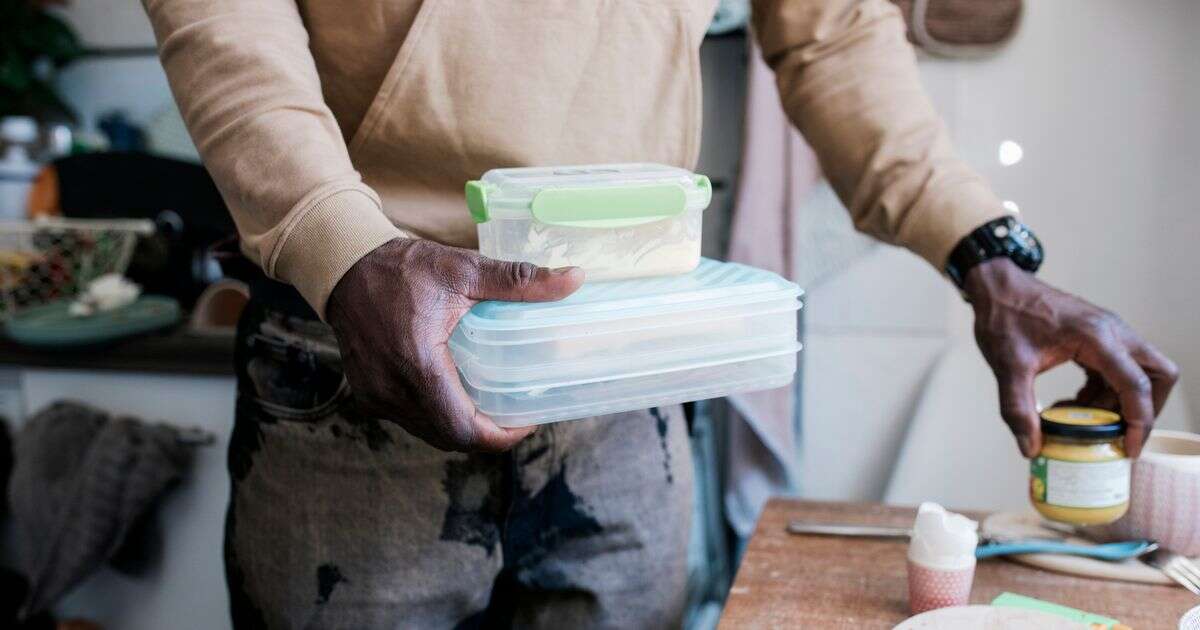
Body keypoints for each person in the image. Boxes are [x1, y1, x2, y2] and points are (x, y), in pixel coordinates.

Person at [143, 0, 1179, 627]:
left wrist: (986, 250)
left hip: (626, 363)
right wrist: (341, 242)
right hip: (357, 346)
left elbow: (835, 35)